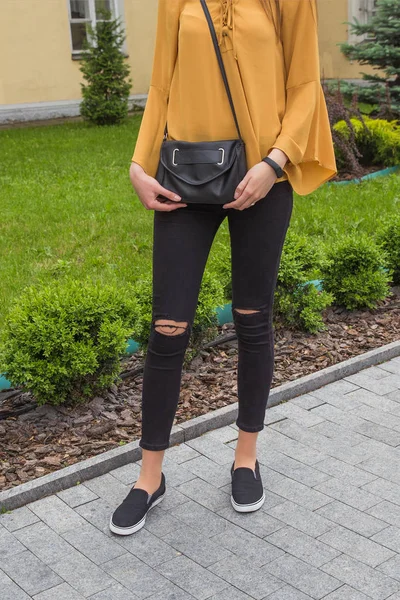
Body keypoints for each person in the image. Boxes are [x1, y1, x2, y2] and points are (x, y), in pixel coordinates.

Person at [110, 0, 337, 536]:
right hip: (183, 178)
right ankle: (149, 477)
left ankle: (246, 457)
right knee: (168, 329)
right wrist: (138, 165)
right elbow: (162, 84)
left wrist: (275, 161)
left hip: (263, 180)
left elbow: (305, 86)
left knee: (252, 318)